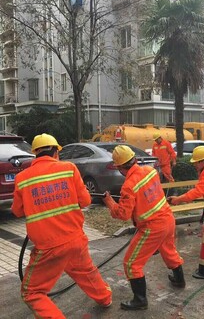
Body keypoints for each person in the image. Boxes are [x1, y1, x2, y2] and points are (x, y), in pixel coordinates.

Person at [11, 133, 112, 319]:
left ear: (35, 154)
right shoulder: (68, 168)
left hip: (49, 247)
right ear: (56, 152)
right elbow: (85, 200)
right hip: (75, 239)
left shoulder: (23, 178)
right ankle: (105, 298)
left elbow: (17, 211)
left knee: (31, 292)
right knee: (85, 270)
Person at [102, 145, 185, 311]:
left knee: (132, 263)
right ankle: (179, 280)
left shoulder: (128, 186)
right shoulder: (149, 170)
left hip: (152, 227)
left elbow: (124, 214)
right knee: (168, 251)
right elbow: (145, 194)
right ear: (134, 159)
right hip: (168, 219)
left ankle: (140, 300)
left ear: (119, 167)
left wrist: (110, 202)